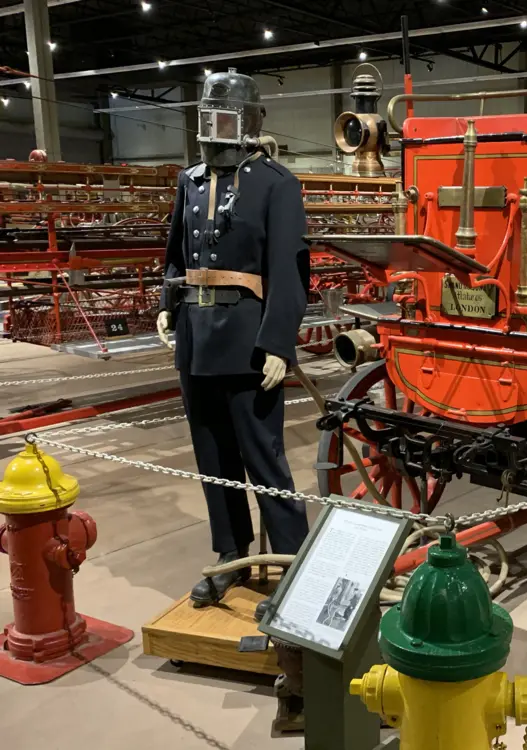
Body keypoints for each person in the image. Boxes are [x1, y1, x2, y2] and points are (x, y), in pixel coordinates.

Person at [156, 68, 310, 608]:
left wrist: (279, 343)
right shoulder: (190, 180)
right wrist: (168, 306)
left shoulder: (276, 183)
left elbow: (289, 271)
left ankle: (293, 560)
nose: (214, 127)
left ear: (249, 121)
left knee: (263, 457)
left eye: (224, 116)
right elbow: (176, 253)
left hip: (248, 344)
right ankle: (231, 554)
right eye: (207, 115)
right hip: (197, 341)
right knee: (213, 456)